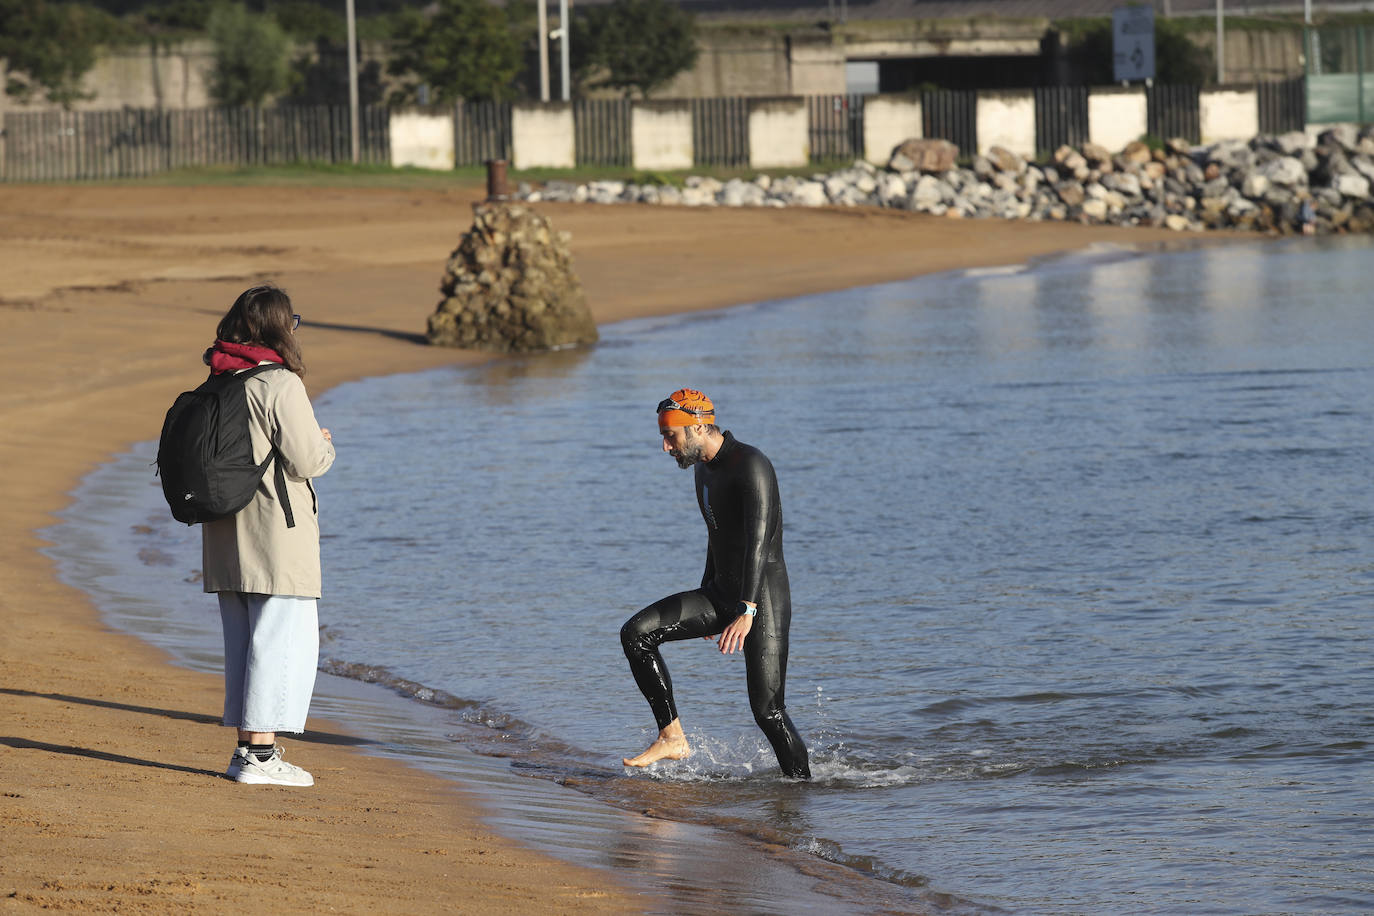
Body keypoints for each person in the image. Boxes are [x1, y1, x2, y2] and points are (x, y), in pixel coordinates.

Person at [619, 389, 811, 779]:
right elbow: (716, 532)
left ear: (700, 427)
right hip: (723, 594)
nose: (665, 446)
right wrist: (708, 595)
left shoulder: (751, 464)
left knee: (768, 711)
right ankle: (672, 736)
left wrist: (746, 609)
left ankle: (802, 794)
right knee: (635, 634)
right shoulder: (702, 468)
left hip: (762, 600)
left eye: (671, 436)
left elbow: (758, 543)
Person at [201, 285, 336, 786]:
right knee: (280, 641)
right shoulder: (278, 383)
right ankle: (259, 757)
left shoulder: (219, 374)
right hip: (276, 531)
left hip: (223, 530)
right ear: (281, 328)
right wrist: (326, 445)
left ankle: (249, 749)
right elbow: (307, 460)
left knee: (245, 643)